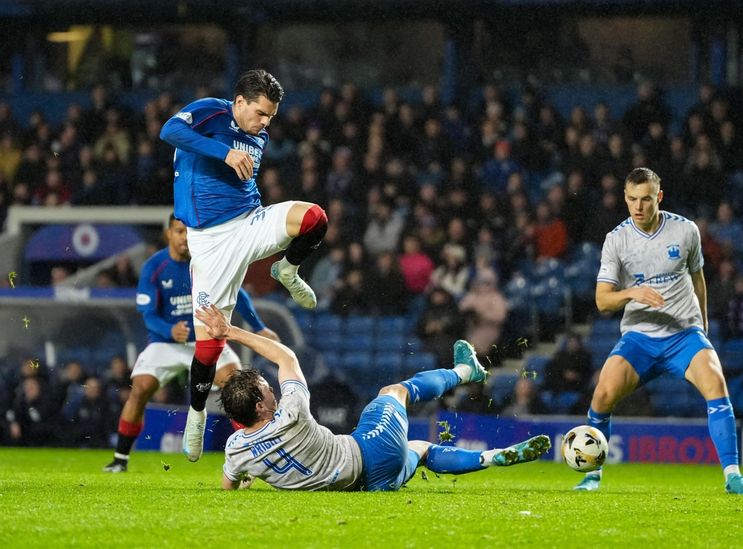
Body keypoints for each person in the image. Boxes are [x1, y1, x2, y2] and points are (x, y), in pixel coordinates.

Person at [195, 304, 551, 492]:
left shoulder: (236, 449)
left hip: (366, 486)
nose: (271, 386)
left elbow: (230, 485)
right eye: (265, 386)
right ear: (260, 405)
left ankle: (492, 457)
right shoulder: (292, 412)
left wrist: (253, 472)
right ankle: (465, 372)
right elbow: (286, 357)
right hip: (369, 453)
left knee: (421, 450)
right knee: (391, 392)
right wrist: (231, 331)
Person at [159, 69, 328, 461]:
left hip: (250, 222)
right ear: (239, 102)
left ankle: (286, 268)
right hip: (210, 242)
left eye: (270, 116)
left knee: (315, 218)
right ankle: (197, 415)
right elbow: (169, 130)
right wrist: (224, 152)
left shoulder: (259, 134)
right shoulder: (211, 113)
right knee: (210, 344)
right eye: (260, 113)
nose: (265, 123)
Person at [577, 167, 743, 495]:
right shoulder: (616, 240)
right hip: (639, 337)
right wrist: (631, 292)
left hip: (682, 335)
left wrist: (701, 324)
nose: (639, 207)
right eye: (632, 199)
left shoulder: (685, 231)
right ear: (625, 198)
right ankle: (592, 475)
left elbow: (697, 277)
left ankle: (733, 476)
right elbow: (602, 301)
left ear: (658, 197)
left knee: (716, 383)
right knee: (603, 393)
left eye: (646, 199)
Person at [103, 214, 278, 473]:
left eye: (188, 232)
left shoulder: (206, 259)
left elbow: (236, 293)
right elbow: (148, 314)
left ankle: (251, 458)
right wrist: (169, 330)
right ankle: (120, 459)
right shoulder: (155, 266)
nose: (185, 238)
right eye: (179, 232)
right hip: (167, 343)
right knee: (140, 388)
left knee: (236, 388)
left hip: (207, 338)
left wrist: (259, 327)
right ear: (169, 235)